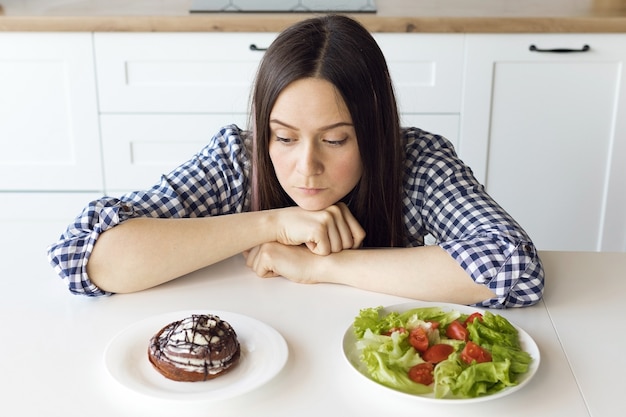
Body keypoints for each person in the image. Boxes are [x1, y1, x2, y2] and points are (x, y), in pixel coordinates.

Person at [47, 15, 543, 309]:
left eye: (335, 140)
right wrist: (274, 223)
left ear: (374, 130)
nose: (306, 167)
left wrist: (322, 267)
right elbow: (87, 258)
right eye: (284, 137)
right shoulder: (237, 160)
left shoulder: (419, 162)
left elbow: (514, 268)